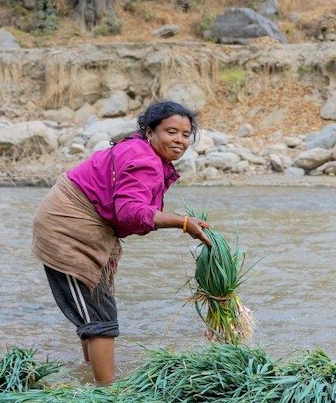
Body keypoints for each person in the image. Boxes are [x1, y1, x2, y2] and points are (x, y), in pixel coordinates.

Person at [32, 100, 212, 384]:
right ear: (150, 132)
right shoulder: (144, 160)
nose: (179, 140)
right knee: (100, 314)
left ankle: (90, 378)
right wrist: (183, 222)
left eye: (185, 134)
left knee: (95, 310)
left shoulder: (143, 152)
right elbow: (130, 212)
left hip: (85, 225)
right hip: (68, 228)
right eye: (171, 132)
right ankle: (108, 394)